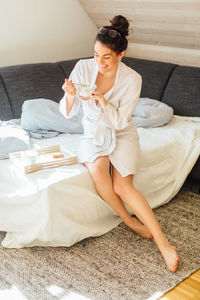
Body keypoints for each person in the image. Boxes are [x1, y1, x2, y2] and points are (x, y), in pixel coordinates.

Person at [59, 15, 179, 272]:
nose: (99, 62)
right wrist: (70, 97)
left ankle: (164, 244)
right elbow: (68, 112)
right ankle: (131, 222)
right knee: (98, 169)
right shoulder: (82, 68)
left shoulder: (132, 79)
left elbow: (121, 120)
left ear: (121, 54)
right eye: (95, 55)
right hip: (92, 133)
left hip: (122, 131)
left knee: (123, 185)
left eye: (106, 57)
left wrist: (103, 101)